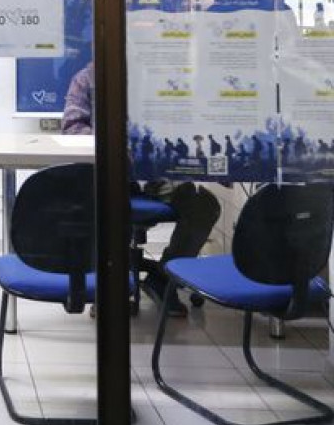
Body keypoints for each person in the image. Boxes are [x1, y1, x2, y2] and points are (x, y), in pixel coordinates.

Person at [58, 61, 219, 314]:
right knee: (109, 204)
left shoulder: (164, 77)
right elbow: (72, 128)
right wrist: (115, 145)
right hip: (113, 172)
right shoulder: (87, 78)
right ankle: (111, 286)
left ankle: (164, 278)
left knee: (204, 205)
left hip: (160, 173)